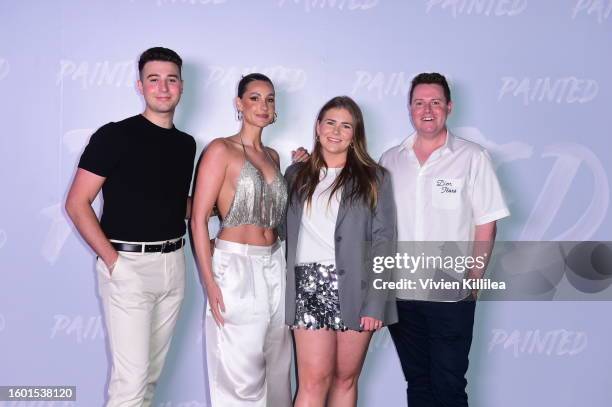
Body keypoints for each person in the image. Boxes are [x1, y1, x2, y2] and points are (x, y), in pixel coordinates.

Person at [65, 47, 196, 407]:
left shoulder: (186, 144)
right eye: (154, 79)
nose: (163, 88)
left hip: (174, 265)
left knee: (150, 378)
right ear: (140, 85)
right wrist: (113, 262)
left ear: (182, 86)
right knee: (131, 383)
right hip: (127, 265)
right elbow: (77, 203)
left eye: (171, 79)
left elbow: (170, 202)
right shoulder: (114, 136)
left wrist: (217, 205)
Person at [380, 72, 510, 407]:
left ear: (448, 107)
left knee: (449, 385)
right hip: (402, 294)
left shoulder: (472, 157)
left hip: (450, 290)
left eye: (435, 102)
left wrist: (475, 277)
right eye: (420, 102)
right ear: (409, 108)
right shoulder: (390, 160)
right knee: (419, 384)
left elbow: (487, 221)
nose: (427, 109)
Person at [285, 96, 397, 407]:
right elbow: (280, 230)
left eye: (345, 125)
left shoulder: (375, 178)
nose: (336, 131)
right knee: (312, 380)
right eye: (330, 123)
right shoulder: (296, 175)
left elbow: (384, 241)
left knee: (346, 379)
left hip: (359, 288)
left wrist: (377, 302)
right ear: (318, 127)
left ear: (355, 133)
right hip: (309, 285)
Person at [191, 73, 292, 407]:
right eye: (254, 98)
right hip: (235, 266)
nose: (263, 105)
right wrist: (209, 281)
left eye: (270, 99)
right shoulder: (221, 150)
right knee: (240, 375)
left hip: (275, 263)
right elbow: (198, 218)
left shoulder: (274, 156)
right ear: (239, 104)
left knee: (278, 370)